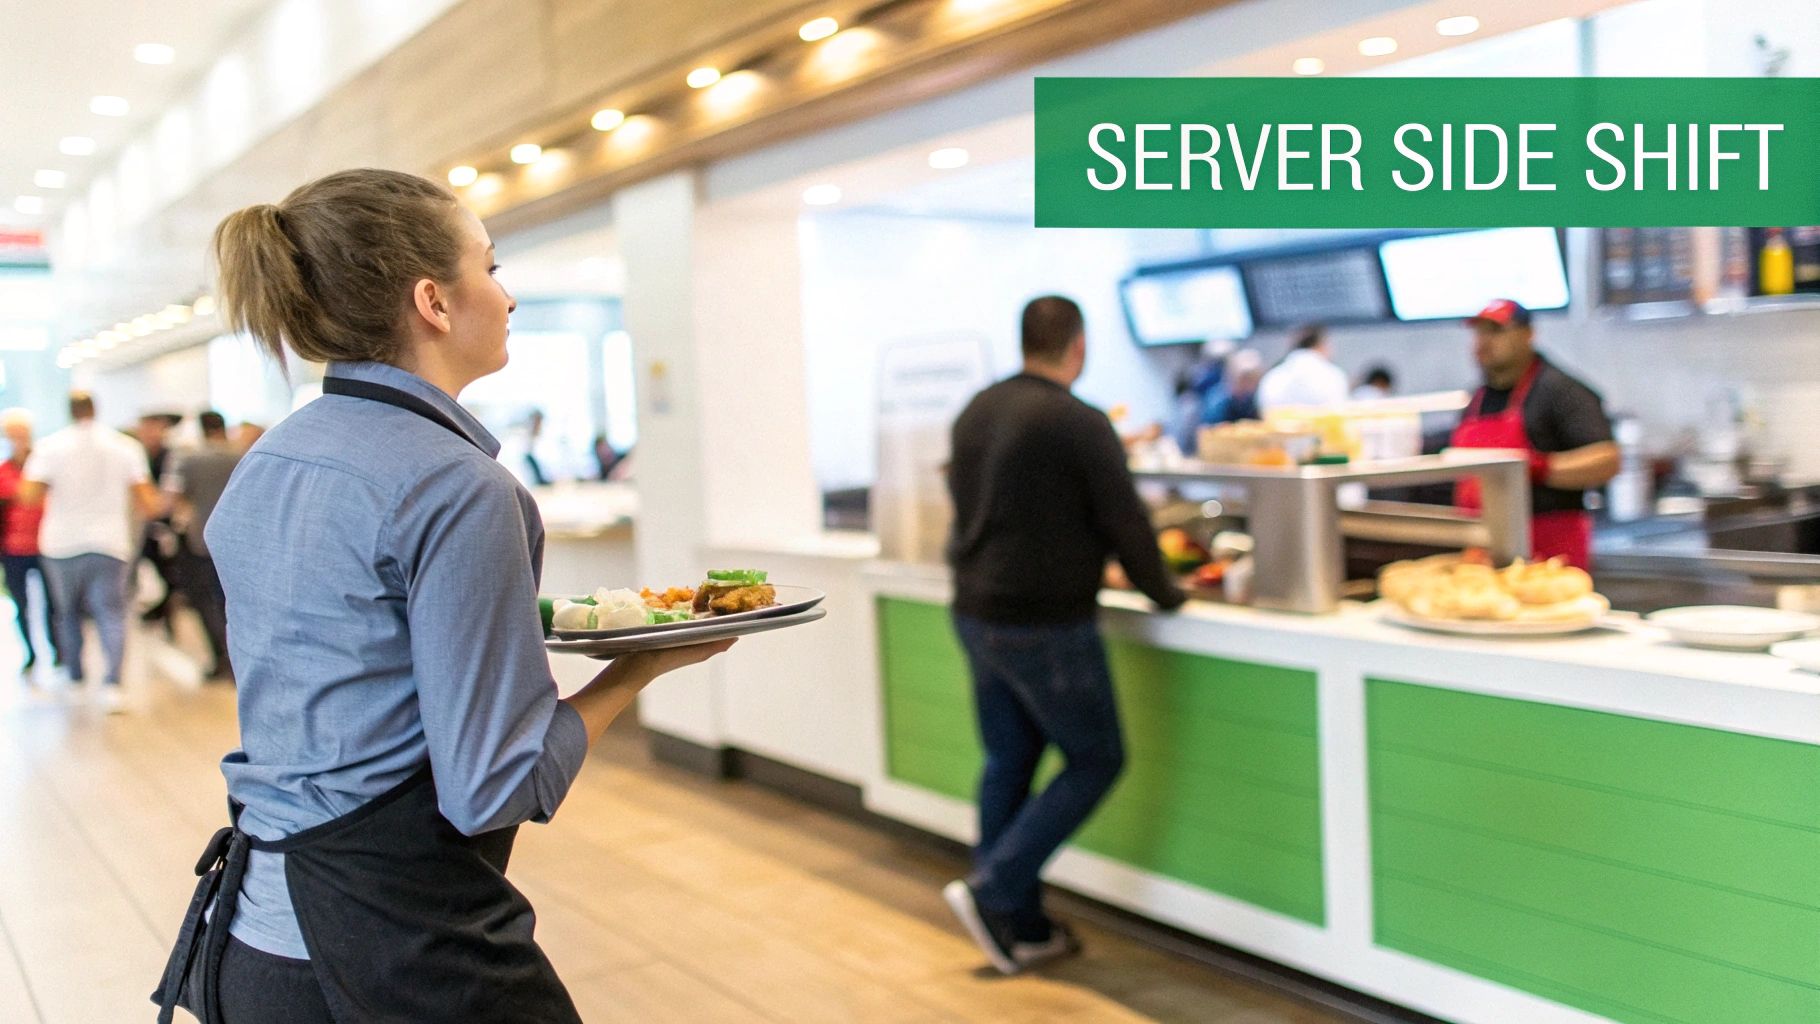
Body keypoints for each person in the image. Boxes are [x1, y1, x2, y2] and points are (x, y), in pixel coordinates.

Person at [151, 169, 734, 1024]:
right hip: (399, 948)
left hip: (253, 948)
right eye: (491, 268)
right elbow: (491, 787)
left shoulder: (268, 464)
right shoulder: (461, 488)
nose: (507, 296)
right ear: (433, 300)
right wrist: (631, 674)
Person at [942, 295, 1186, 975]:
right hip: (1043, 619)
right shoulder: (1079, 421)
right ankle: (995, 890)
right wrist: (1167, 594)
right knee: (1096, 758)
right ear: (1078, 346)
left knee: (1009, 761)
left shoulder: (977, 410)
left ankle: (1020, 925)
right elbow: (1127, 523)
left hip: (975, 609)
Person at [17, 393, 160, 712]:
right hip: (109, 541)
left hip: (61, 542)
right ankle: (113, 685)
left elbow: (28, 495)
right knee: (111, 612)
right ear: (96, 409)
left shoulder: (50, 446)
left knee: (66, 612)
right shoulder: (125, 446)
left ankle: (76, 676)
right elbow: (148, 502)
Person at [1452, 299, 1619, 569]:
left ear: (1528, 335)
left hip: (1551, 552)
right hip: (1484, 548)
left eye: (1496, 331)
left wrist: (1536, 469)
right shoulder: (1476, 400)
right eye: (1479, 333)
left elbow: (1606, 459)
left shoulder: (1561, 391)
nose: (1483, 342)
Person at [162, 410, 241, 681]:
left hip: (202, 538)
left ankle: (221, 655)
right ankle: (236, 654)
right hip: (239, 538)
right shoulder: (243, 456)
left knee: (205, 599)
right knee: (232, 599)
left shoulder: (189, 459)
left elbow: (171, 501)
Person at [0, 409, 60, 673]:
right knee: (21, 604)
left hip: (46, 543)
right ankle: (31, 652)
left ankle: (58, 650)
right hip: (13, 547)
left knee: (53, 603)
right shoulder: (4, 470)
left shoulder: (45, 464)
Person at [136, 412, 185, 627]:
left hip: (166, 524)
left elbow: (172, 493)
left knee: (169, 573)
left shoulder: (172, 456)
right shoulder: (138, 456)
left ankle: (166, 613)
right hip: (143, 524)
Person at [1257, 325, 1349, 413]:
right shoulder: (1332, 375)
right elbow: (1338, 410)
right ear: (1321, 345)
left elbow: (1263, 409)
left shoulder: (1272, 376)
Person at [1203, 348, 1264, 425]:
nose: (1250, 386)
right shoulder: (1217, 402)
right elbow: (1209, 429)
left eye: (1253, 380)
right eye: (1247, 380)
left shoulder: (1250, 400)